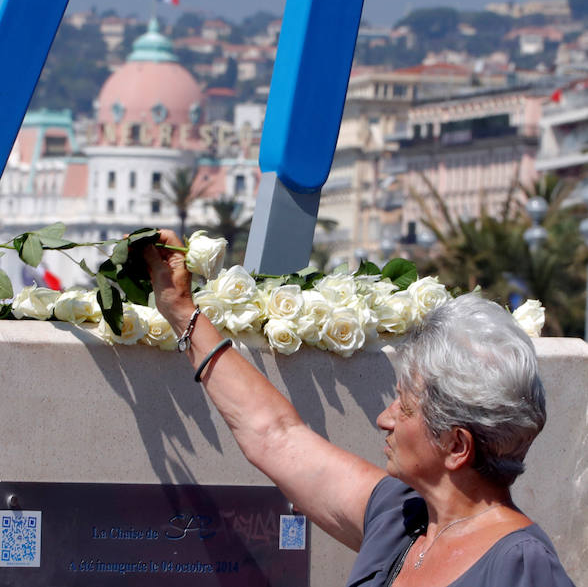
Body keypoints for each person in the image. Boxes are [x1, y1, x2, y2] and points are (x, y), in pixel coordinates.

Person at [143, 229, 575, 587]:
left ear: (457, 445)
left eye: (405, 407)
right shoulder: (401, 515)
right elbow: (275, 435)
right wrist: (182, 312)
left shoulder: (522, 567)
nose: (383, 418)